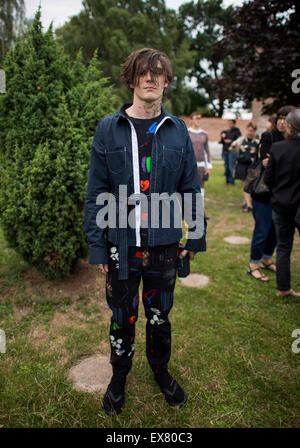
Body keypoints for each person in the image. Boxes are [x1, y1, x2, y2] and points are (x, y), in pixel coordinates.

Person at [84, 48, 205, 415]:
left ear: (166, 82)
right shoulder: (109, 127)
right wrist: (97, 247)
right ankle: (119, 375)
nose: (150, 79)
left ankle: (160, 370)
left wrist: (195, 236)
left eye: (157, 73)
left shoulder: (178, 129)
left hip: (165, 245)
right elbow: (97, 192)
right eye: (143, 73)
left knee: (159, 315)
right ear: (132, 78)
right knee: (122, 316)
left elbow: (190, 188)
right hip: (121, 244)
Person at [247, 105, 295, 282]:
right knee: (262, 229)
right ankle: (253, 264)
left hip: (282, 194)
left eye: (286, 118)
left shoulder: (292, 140)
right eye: (280, 118)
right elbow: (265, 162)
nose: (282, 121)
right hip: (264, 192)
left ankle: (267, 259)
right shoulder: (269, 136)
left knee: (276, 231)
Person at [264, 109, 300, 297]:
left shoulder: (278, 149)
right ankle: (284, 288)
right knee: (284, 246)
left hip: (281, 205)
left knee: (284, 247)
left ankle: (283, 288)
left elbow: (268, 179)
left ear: (290, 127)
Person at [229, 122, 259, 212]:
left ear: (255, 132)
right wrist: (233, 146)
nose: (250, 132)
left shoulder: (257, 142)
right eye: (248, 130)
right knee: (244, 184)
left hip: (252, 166)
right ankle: (249, 205)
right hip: (242, 165)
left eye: (252, 131)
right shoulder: (241, 140)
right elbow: (232, 149)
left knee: (250, 185)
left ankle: (245, 202)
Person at [188, 112, 213, 195]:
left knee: (201, 188)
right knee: (188, 188)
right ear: (191, 120)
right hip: (189, 165)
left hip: (201, 165)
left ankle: (199, 206)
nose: (198, 120)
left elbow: (207, 151)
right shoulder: (186, 133)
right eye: (196, 118)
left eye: (200, 118)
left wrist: (208, 167)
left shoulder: (204, 134)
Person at [219, 119, 241, 185]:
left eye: (231, 123)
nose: (230, 125)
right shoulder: (225, 131)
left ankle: (232, 182)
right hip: (225, 151)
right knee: (226, 166)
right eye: (229, 123)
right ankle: (227, 181)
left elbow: (238, 141)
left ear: (234, 124)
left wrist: (231, 141)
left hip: (232, 151)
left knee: (231, 166)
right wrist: (223, 138)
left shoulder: (237, 131)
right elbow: (222, 141)